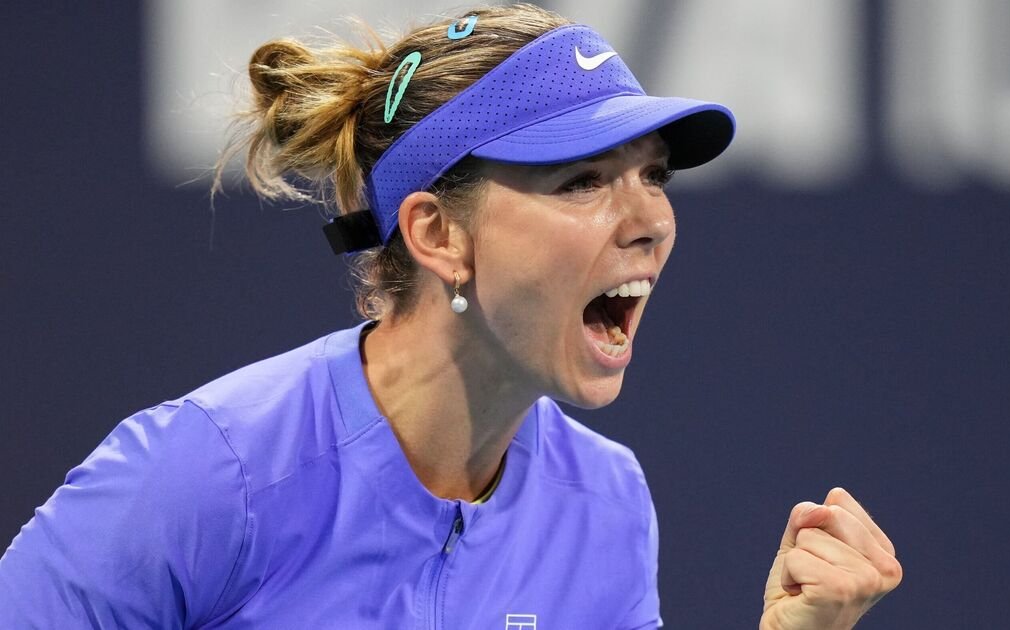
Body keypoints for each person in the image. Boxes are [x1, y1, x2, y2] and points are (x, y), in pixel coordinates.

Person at [0, 4, 900, 628]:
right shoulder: (210, 477)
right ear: (437, 234)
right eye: (582, 181)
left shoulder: (607, 505)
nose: (651, 221)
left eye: (652, 175)